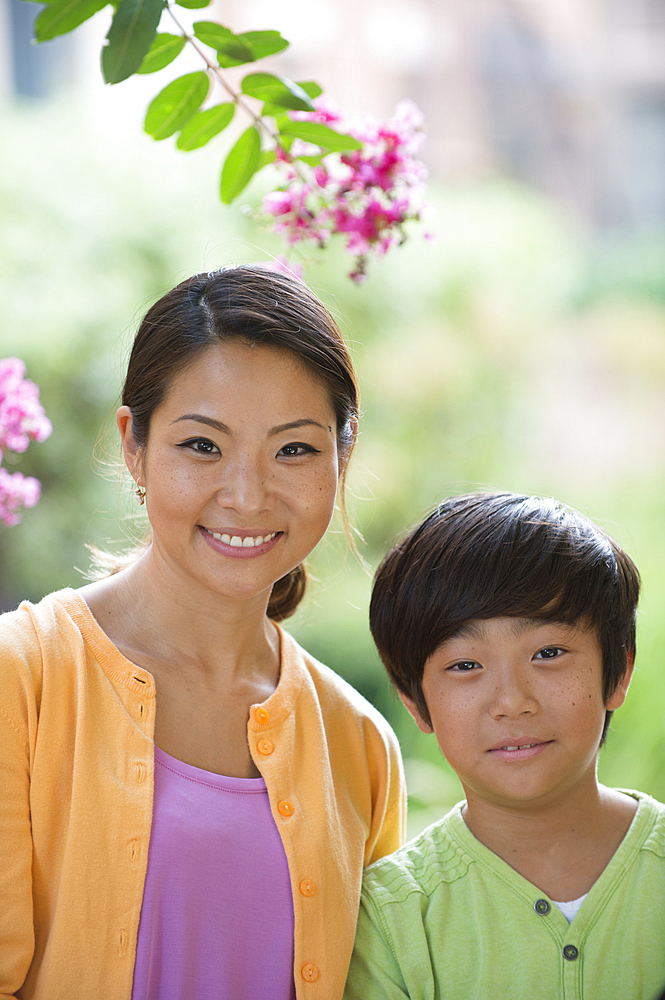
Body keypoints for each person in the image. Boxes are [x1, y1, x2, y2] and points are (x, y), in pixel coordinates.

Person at [0, 265, 406, 1000]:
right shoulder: (19, 678)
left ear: (342, 456)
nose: (247, 496)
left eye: (294, 450)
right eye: (202, 446)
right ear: (134, 445)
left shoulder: (358, 743)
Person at [344, 492, 665, 1000]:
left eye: (549, 652)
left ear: (617, 673)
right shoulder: (391, 919)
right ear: (414, 700)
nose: (512, 701)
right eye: (465, 665)